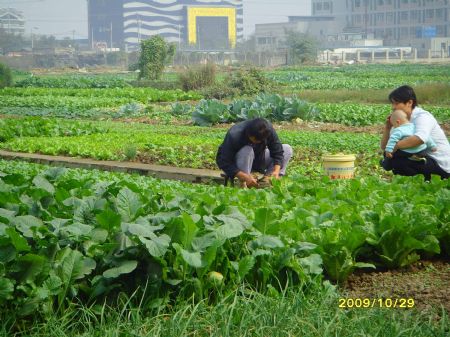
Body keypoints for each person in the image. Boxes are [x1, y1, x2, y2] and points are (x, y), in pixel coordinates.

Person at [380, 85, 450, 180]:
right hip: (421, 158)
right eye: (392, 103)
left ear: (409, 102)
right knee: (392, 157)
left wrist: (395, 146)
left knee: (398, 161)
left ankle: (427, 182)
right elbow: (385, 147)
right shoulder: (400, 119)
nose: (393, 107)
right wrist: (388, 128)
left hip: (440, 164)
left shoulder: (422, 117)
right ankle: (415, 182)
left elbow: (420, 139)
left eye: (396, 103)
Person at [216, 118, 293, 188]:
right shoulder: (234, 134)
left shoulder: (267, 129)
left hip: (258, 158)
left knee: (287, 149)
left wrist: (276, 171)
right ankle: (244, 183)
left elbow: (278, 151)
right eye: (255, 140)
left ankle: (268, 180)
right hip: (240, 162)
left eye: (260, 141)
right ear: (249, 134)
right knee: (247, 150)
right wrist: (243, 176)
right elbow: (223, 161)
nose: (258, 142)